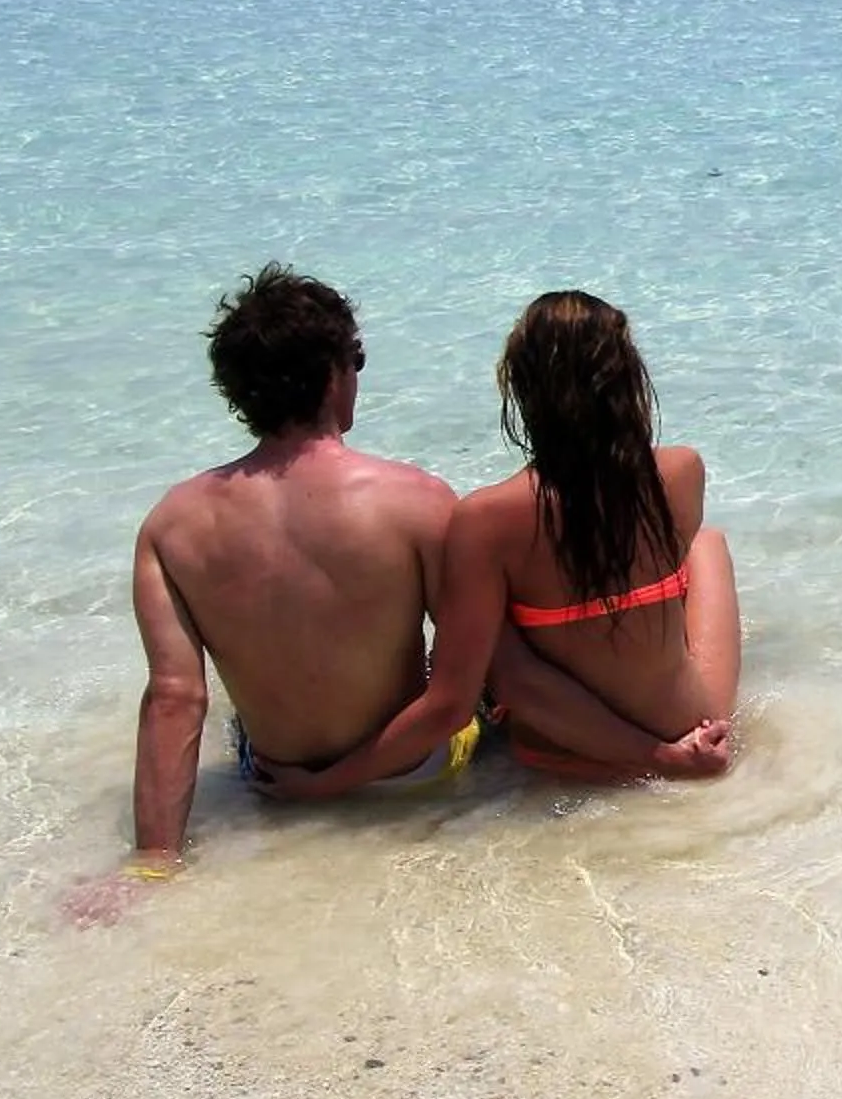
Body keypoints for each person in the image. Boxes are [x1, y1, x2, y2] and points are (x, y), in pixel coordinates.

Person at [111, 269, 721, 894]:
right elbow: (492, 679)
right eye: (358, 360)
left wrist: (154, 859)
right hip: (417, 772)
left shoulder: (170, 525)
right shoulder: (417, 502)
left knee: (232, 723)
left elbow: (174, 699)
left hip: (271, 780)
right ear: (333, 374)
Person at [260, 290, 739, 798]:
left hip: (571, 757)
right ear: (629, 379)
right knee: (703, 545)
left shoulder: (488, 520)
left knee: (492, 646)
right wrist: (676, 750)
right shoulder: (682, 470)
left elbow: (451, 705)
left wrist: (323, 783)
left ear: (521, 389)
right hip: (697, 727)